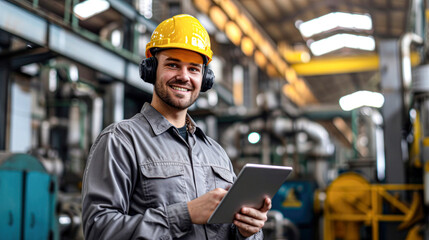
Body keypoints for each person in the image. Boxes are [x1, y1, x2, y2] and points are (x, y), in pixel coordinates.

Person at [81, 14, 271, 239]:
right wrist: (185, 214)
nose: (184, 77)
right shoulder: (121, 140)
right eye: (173, 64)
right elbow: (98, 229)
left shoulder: (217, 154)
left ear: (205, 79)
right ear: (151, 70)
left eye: (194, 69)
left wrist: (247, 231)